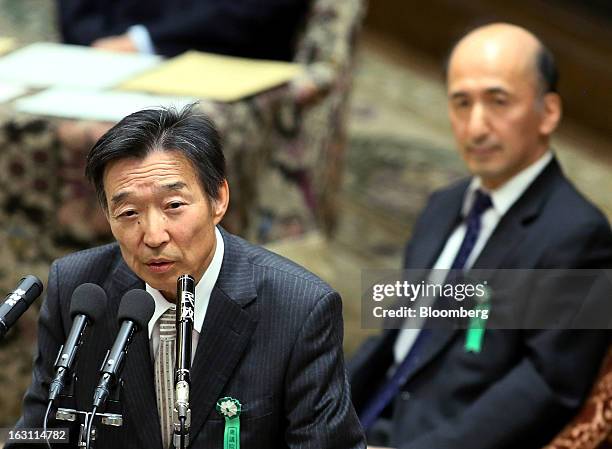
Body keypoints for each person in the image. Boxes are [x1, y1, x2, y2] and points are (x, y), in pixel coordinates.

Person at [8, 104, 365, 448]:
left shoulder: (299, 309)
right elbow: (42, 431)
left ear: (218, 199)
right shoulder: (79, 291)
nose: (152, 235)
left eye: (173, 206)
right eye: (129, 212)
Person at [349, 23, 612, 449]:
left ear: (549, 112)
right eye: (461, 103)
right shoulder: (442, 206)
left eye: (498, 102)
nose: (476, 127)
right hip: (369, 420)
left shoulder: (580, 236)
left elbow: (547, 386)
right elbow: (396, 337)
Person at [56, 0, 310, 59]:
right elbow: (77, 14)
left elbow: (258, 10)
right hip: (99, 60)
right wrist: (98, 42)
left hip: (216, 56)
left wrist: (143, 41)